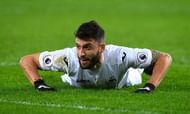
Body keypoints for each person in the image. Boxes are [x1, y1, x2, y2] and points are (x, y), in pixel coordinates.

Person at [20, 20, 172, 93]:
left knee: (137, 70)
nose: (81, 53)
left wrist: (150, 86)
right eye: (78, 46)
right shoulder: (67, 58)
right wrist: (39, 83)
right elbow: (27, 60)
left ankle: (142, 68)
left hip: (128, 79)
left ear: (101, 48)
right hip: (73, 80)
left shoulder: (120, 55)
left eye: (87, 47)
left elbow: (165, 58)